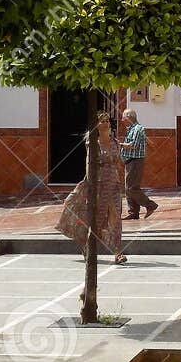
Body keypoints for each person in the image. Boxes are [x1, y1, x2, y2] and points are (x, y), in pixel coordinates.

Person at [58, 112, 128, 264]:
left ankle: (117, 252)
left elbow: (118, 162)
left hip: (113, 185)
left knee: (116, 216)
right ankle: (87, 248)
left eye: (108, 120)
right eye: (103, 121)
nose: (107, 123)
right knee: (96, 218)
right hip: (98, 184)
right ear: (96, 125)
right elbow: (89, 164)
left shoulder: (114, 142)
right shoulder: (93, 143)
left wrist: (123, 175)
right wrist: (91, 185)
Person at [119, 107, 158, 220]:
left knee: (131, 188)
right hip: (129, 162)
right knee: (128, 188)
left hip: (136, 162)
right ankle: (133, 212)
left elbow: (133, 145)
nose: (122, 120)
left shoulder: (138, 129)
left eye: (123, 117)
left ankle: (150, 205)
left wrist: (120, 144)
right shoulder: (131, 129)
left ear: (129, 118)